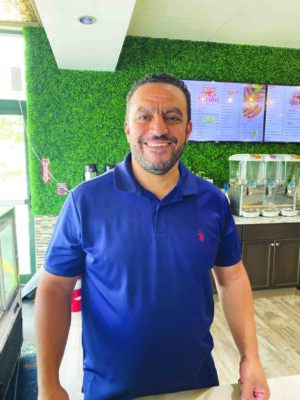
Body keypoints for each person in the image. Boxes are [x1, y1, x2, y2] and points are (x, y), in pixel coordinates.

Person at [35, 73, 270, 400]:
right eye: (144, 116)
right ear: (128, 127)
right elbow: (54, 288)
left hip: (196, 385)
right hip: (110, 390)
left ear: (188, 129)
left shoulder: (213, 201)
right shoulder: (85, 201)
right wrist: (48, 385)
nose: (158, 129)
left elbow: (231, 278)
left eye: (172, 117)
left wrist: (251, 357)